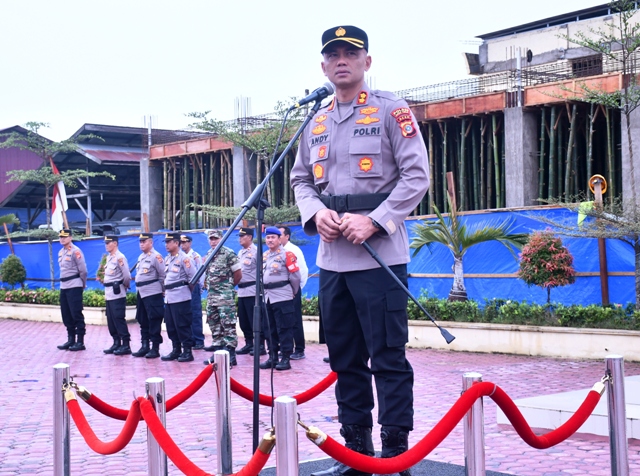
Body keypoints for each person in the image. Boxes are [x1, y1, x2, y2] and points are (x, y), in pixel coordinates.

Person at [290, 25, 430, 476]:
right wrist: (314, 214)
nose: (341, 60)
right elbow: (300, 181)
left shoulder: (392, 110)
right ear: (324, 65)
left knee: (388, 356)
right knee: (344, 358)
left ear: (367, 61)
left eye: (351, 52)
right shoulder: (314, 121)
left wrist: (375, 220)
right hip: (332, 260)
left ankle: (395, 455)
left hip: (381, 256)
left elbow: (416, 177)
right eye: (333, 54)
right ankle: (356, 452)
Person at [259, 227, 301, 372]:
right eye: (268, 237)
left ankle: (285, 358)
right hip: (267, 298)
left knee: (284, 328)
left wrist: (293, 292)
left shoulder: (287, 255)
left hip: (282, 296)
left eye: (273, 237)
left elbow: (295, 277)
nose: (270, 240)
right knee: (269, 329)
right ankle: (272, 357)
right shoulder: (264, 256)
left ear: (279, 239)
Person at [202, 229, 242, 366]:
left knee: (228, 325)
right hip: (211, 296)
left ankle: (230, 353)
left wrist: (228, 287)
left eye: (215, 238)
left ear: (221, 239)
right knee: (214, 325)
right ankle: (218, 352)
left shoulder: (228, 254)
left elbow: (238, 274)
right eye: (211, 239)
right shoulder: (208, 254)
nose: (213, 241)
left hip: (224, 297)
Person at [162, 232, 197, 362]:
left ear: (176, 243)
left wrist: (186, 291)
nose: (166, 245)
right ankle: (176, 349)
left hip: (181, 297)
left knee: (182, 325)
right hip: (169, 298)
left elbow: (193, 278)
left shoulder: (184, 258)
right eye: (165, 242)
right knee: (171, 326)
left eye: (168, 242)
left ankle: (187, 351)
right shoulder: (168, 259)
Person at [132, 233, 166, 359]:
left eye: (144, 241)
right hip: (142, 293)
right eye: (140, 241)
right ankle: (144, 345)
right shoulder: (141, 256)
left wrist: (162, 290)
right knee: (143, 319)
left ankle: (155, 348)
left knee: (154, 320)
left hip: (153, 293)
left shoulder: (156, 257)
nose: (141, 243)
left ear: (150, 242)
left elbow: (163, 275)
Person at [278, 225, 308, 360]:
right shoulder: (277, 251)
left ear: (287, 236)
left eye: (279, 235)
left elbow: (302, 271)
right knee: (284, 320)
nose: (277, 238)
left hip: (292, 290)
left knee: (295, 320)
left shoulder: (293, 250)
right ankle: (287, 348)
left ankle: (300, 349)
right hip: (280, 292)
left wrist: (296, 289)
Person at [56, 229, 88, 351]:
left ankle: (80, 341)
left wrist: (82, 284)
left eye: (64, 237)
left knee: (76, 313)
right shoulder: (61, 252)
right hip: (64, 286)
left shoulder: (76, 251)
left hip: (74, 285)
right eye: (60, 237)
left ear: (70, 238)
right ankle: (71, 339)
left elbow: (83, 271)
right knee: (66, 314)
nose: (62, 239)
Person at [235, 227, 265, 356]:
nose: (240, 238)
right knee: (244, 320)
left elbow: (262, 271)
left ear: (250, 237)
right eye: (239, 236)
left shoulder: (257, 252)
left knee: (255, 320)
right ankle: (249, 344)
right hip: (242, 292)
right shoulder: (240, 253)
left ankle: (260, 346)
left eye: (243, 236)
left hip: (253, 291)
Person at [101, 235, 132, 356]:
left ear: (115, 243)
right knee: (111, 319)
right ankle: (116, 342)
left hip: (117, 292)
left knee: (119, 318)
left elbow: (127, 276)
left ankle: (125, 344)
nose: (106, 245)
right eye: (106, 243)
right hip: (109, 293)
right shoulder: (109, 258)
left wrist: (124, 287)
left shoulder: (120, 257)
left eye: (109, 243)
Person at [180, 234, 206, 350]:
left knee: (195, 314)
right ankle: (189, 339)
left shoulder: (195, 256)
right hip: (183, 288)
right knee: (185, 314)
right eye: (181, 243)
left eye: (185, 242)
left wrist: (199, 288)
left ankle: (199, 340)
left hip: (193, 287)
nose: (183, 245)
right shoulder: (178, 256)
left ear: (190, 243)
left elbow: (201, 272)